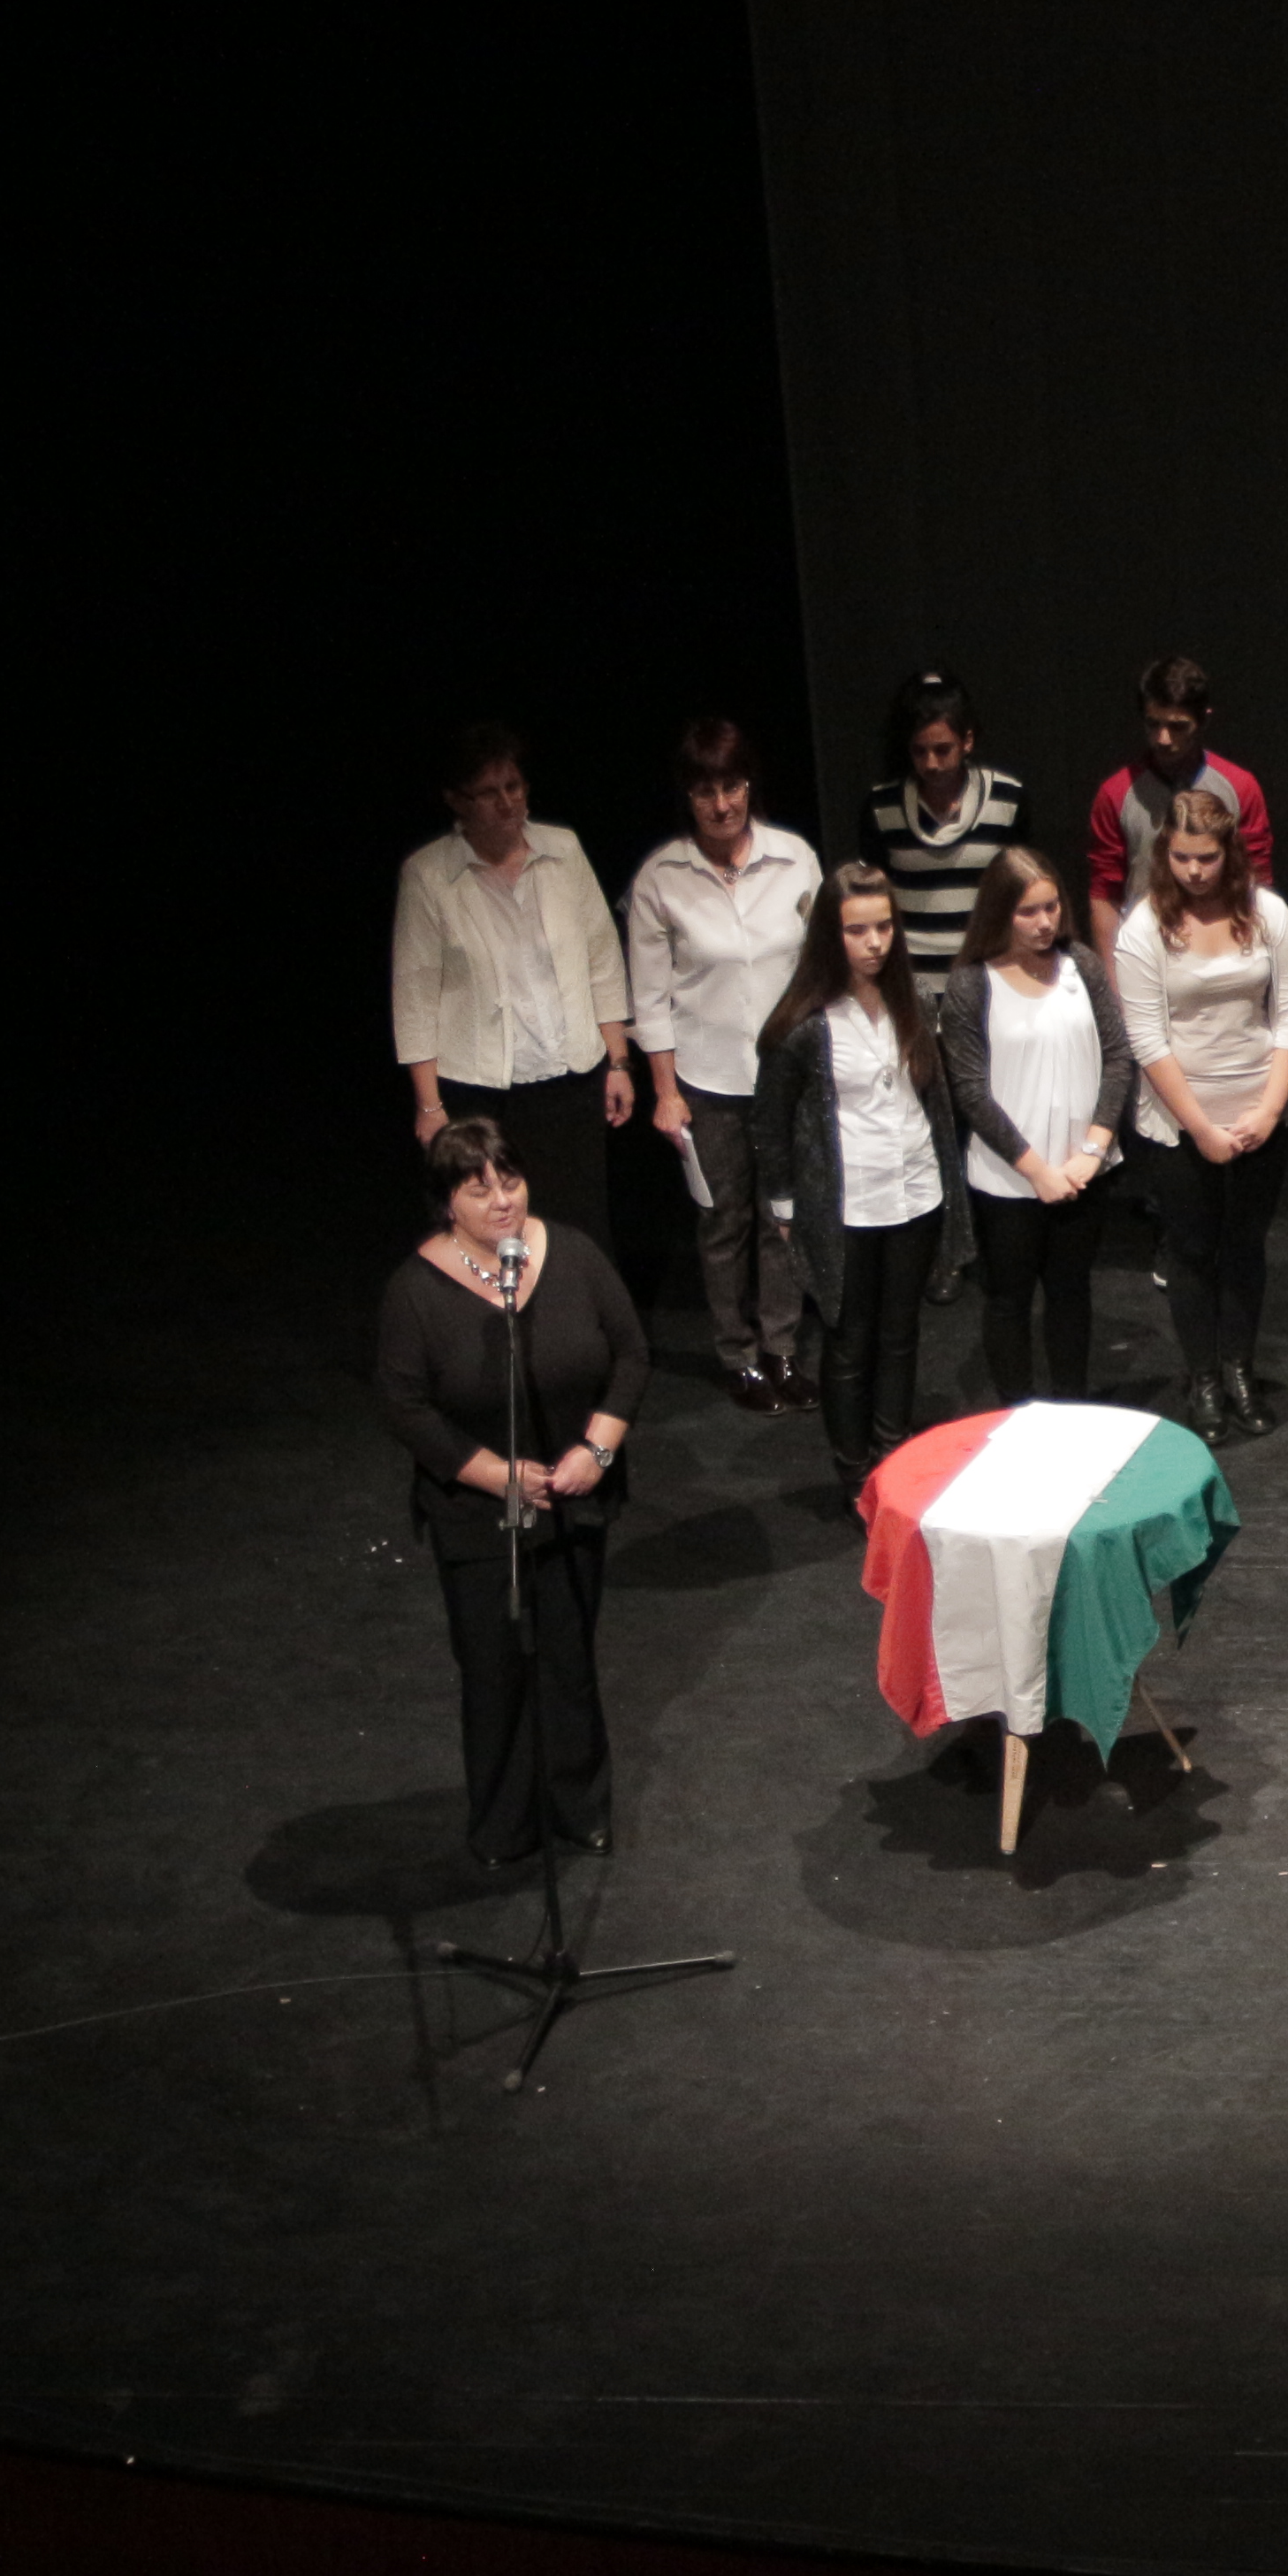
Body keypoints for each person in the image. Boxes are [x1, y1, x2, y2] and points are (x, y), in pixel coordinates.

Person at [372, 1119, 648, 1863]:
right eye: (479, 1189)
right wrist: (497, 1476)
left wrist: (597, 1449)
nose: (503, 1200)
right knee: (494, 1669)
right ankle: (504, 1822)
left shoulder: (573, 1254)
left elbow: (630, 1354)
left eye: (511, 1181)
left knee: (569, 1661)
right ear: (447, 1204)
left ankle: (579, 1806)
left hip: (574, 1494)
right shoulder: (415, 1292)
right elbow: (405, 1406)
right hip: (477, 1514)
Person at [625, 716, 822, 1411]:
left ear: (749, 786)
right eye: (705, 790)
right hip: (707, 1082)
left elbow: (821, 967)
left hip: (787, 1076)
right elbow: (649, 997)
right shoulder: (662, 878)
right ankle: (738, 1356)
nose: (721, 804)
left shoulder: (793, 859)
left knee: (784, 1217)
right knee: (724, 1223)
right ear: (687, 795)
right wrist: (664, 1091)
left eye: (732, 786)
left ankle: (782, 1348)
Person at [756, 860, 964, 1488]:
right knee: (849, 1340)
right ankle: (854, 1472)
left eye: (883, 927)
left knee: (901, 1334)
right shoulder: (803, 1023)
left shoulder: (913, 1000)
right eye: (857, 930)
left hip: (916, 1192)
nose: (875, 942)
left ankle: (892, 1454)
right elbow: (770, 1125)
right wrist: (786, 1208)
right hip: (846, 1205)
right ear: (831, 934)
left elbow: (933, 1101)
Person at [392, 722, 634, 1260]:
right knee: (494, 1232)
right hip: (480, 1089)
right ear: (457, 801)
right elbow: (415, 997)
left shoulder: (563, 851)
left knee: (578, 1231)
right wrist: (429, 1105)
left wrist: (618, 1061)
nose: (507, 803)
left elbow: (602, 959)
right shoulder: (429, 875)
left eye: (514, 787)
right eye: (488, 792)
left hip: (570, 1079)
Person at [1116, 790, 1288, 1445]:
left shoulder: (1267, 912)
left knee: (1246, 1248)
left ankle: (1240, 1372)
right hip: (1181, 1122)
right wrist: (1201, 1128)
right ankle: (1203, 1380)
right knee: (1193, 1252)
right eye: (1181, 858)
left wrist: (1270, 1109)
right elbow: (1147, 1037)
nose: (1194, 871)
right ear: (1164, 854)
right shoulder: (1145, 926)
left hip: (1261, 1110)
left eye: (1206, 857)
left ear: (1229, 852)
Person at [935, 845, 1132, 1409]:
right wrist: (1036, 1170)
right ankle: (1017, 1415)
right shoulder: (973, 984)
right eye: (1028, 911)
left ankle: (1071, 1409)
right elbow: (970, 1091)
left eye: (1051, 907)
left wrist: (1093, 1149)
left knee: (1071, 1293)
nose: (1045, 922)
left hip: (1082, 1170)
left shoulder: (1082, 966)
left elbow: (1118, 1056)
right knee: (1009, 1300)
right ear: (1000, 912)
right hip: (1009, 1180)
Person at [1083, 655, 1274, 957]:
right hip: (1148, 950)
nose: (1163, 738)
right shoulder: (1116, 794)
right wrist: (1113, 980)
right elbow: (1105, 894)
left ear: (1203, 720)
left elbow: (1257, 881)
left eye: (1178, 726)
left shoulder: (1239, 787)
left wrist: (1259, 957)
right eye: (1153, 724)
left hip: (1226, 948)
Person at [865, 672, 1034, 1009]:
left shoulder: (1007, 799)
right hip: (913, 989)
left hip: (988, 983)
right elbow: (872, 899)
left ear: (967, 741)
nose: (931, 763)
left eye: (943, 750)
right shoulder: (883, 807)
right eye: (920, 751)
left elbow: (1024, 892)